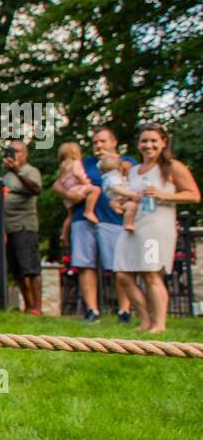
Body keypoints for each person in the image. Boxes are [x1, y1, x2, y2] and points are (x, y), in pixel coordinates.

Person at [113, 123, 199, 333]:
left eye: (153, 140)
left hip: (156, 227)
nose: (148, 145)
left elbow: (194, 195)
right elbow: (130, 196)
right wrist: (119, 204)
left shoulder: (171, 167)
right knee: (123, 275)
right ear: (138, 144)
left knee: (151, 274)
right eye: (144, 141)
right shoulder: (133, 171)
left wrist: (163, 195)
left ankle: (159, 324)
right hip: (133, 226)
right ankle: (144, 320)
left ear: (163, 143)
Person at [52, 127, 135, 323]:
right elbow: (57, 184)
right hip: (82, 219)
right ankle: (92, 311)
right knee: (84, 265)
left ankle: (124, 311)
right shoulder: (84, 162)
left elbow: (132, 177)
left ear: (113, 142)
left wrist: (111, 161)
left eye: (103, 141)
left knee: (119, 267)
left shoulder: (127, 161)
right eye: (96, 142)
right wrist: (69, 194)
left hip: (113, 219)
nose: (98, 145)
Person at [0, 139, 43, 314]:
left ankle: (37, 307)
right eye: (12, 151)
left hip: (25, 225)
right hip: (9, 227)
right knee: (18, 270)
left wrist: (17, 170)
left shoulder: (30, 171)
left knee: (30, 268)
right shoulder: (6, 176)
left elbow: (36, 189)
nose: (15, 154)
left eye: (18, 151)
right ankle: (28, 306)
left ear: (26, 153)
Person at [54, 142, 102, 245]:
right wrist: (85, 182)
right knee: (95, 190)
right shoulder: (76, 162)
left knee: (70, 216)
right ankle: (89, 211)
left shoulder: (63, 166)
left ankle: (64, 234)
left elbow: (60, 181)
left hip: (68, 196)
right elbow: (77, 174)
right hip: (77, 188)